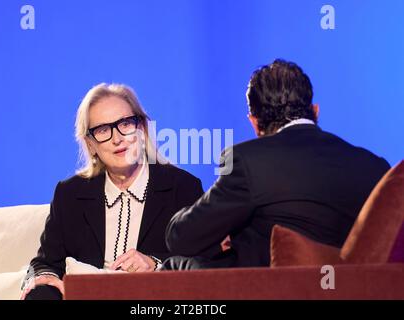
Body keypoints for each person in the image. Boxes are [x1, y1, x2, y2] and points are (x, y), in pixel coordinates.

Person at [163, 59, 391, 270]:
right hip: (354, 291)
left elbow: (182, 238)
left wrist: (230, 232)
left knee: (175, 264)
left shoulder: (248, 161)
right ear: (315, 111)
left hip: (267, 290)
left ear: (254, 122)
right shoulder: (374, 167)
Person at [21, 83, 203, 299]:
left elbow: (202, 260)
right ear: (90, 145)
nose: (117, 138)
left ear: (142, 128)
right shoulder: (69, 194)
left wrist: (154, 263)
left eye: (125, 124)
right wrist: (43, 277)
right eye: (102, 130)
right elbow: (43, 263)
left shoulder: (182, 187)